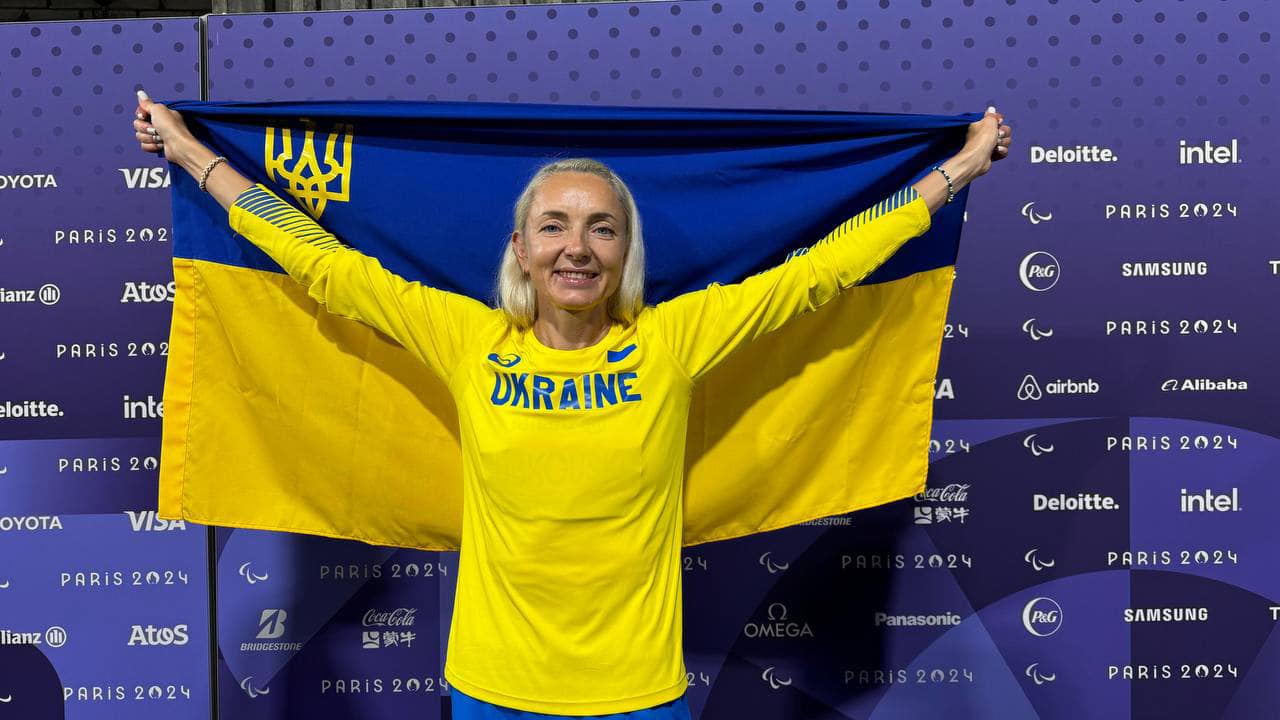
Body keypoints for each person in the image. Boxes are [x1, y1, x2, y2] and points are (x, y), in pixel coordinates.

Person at [134, 88, 1010, 719]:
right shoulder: (469, 339)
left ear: (626, 250)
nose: (577, 247)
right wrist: (194, 155)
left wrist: (958, 171)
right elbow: (324, 264)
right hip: (493, 690)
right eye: (554, 225)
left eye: (601, 227)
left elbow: (821, 271)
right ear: (521, 248)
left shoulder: (673, 340)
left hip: (640, 693)